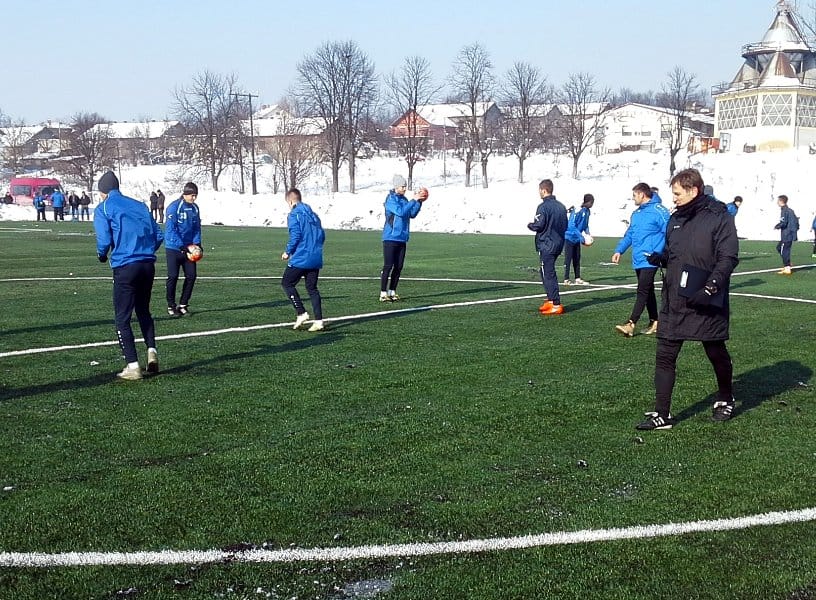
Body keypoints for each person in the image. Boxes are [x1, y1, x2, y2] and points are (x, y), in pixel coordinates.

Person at [636, 168, 739, 430]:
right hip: (675, 299)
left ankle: (725, 398)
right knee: (665, 355)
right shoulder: (676, 219)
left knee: (715, 351)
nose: (674, 199)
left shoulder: (720, 217)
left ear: (693, 190)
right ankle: (662, 414)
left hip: (706, 299)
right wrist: (661, 259)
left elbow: (727, 258)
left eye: (678, 193)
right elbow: (674, 252)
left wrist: (710, 288)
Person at [93, 171, 164, 381]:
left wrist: (101, 255)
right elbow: (158, 235)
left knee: (122, 317)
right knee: (143, 310)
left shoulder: (104, 207)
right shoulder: (139, 205)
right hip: (147, 265)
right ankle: (152, 352)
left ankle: (133, 365)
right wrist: (146, 250)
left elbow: (104, 239)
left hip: (126, 266)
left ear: (102, 191)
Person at [612, 183, 670, 337]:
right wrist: (619, 250)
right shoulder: (636, 213)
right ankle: (655, 321)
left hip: (651, 258)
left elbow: (670, 232)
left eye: (635, 195)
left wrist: (662, 253)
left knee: (642, 290)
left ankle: (631, 323)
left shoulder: (660, 211)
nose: (633, 198)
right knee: (648, 290)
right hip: (638, 258)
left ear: (642, 195)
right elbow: (630, 234)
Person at [281, 187, 326, 331]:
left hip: (301, 257)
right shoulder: (313, 215)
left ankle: (301, 312)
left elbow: (296, 236)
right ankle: (319, 321)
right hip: (315, 257)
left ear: (291, 200)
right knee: (312, 288)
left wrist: (288, 252)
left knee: (287, 283)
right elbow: (322, 235)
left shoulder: (294, 215)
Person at [379, 174, 425, 302]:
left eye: (405, 186)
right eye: (402, 186)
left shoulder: (404, 199)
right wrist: (413, 200)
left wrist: (419, 202)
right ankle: (383, 293)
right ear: (396, 187)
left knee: (398, 266)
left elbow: (411, 214)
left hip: (402, 238)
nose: (405, 188)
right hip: (390, 237)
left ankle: (392, 291)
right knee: (388, 265)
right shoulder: (390, 199)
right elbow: (400, 212)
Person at [528, 179, 568, 315]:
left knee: (548, 273)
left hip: (547, 244)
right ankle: (551, 300)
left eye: (540, 190)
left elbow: (539, 225)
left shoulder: (543, 207)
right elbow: (565, 226)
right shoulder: (561, 206)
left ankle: (556, 303)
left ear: (543, 190)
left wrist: (531, 225)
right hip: (558, 243)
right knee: (544, 271)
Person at [164, 182, 202, 317]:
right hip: (174, 248)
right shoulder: (174, 207)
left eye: (195, 196)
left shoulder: (195, 209)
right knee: (173, 277)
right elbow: (170, 230)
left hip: (189, 249)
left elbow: (197, 227)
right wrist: (181, 246)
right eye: (192, 195)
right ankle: (171, 305)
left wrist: (197, 243)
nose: (194, 198)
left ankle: (183, 304)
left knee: (191, 276)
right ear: (185, 194)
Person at [563, 194, 594, 285]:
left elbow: (585, 225)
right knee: (568, 258)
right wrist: (581, 236)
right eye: (591, 202)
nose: (592, 204)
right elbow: (571, 225)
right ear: (587, 202)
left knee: (577, 258)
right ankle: (566, 279)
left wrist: (588, 234)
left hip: (577, 238)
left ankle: (577, 278)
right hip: (569, 237)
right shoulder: (578, 211)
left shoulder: (588, 212)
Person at [774, 195, 798, 275]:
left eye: (778, 201)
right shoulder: (790, 210)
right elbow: (796, 221)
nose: (777, 202)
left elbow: (784, 223)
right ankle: (787, 263)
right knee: (779, 248)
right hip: (789, 234)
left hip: (786, 235)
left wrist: (777, 226)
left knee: (784, 250)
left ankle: (787, 267)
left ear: (781, 201)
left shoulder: (784, 210)